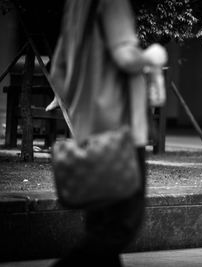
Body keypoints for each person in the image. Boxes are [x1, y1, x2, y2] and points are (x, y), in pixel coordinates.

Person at [49, 0, 167, 266]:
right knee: (121, 225)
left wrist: (86, 110)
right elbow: (126, 56)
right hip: (121, 134)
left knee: (101, 230)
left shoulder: (75, 6)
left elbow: (58, 71)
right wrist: (154, 56)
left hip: (89, 133)